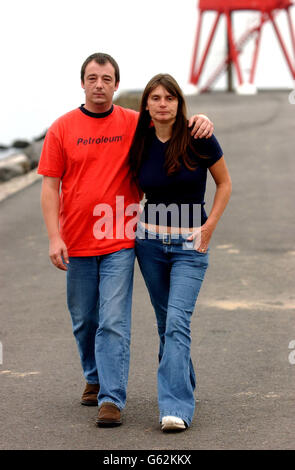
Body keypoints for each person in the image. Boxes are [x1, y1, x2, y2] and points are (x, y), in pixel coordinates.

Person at [37, 53, 214, 428]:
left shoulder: (136, 125)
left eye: (106, 78)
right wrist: (54, 237)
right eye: (92, 78)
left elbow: (173, 121)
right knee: (85, 320)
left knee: (114, 320)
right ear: (82, 83)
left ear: (117, 85)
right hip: (78, 240)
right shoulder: (61, 128)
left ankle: (111, 399)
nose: (99, 84)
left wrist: (201, 120)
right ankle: (94, 375)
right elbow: (50, 186)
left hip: (122, 239)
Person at [129, 73, 232, 432]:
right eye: (155, 98)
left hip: (190, 246)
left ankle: (175, 408)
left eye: (169, 98)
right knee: (166, 325)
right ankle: (182, 386)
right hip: (150, 245)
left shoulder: (199, 136)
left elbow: (224, 183)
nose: (162, 103)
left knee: (176, 322)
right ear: (146, 105)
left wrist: (209, 227)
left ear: (178, 103)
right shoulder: (138, 141)